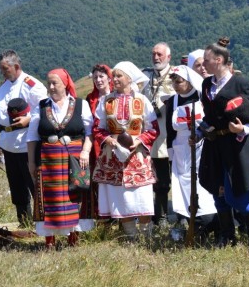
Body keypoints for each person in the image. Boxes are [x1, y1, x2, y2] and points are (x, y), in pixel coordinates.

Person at [198, 40, 249, 251]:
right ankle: (227, 236)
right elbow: (209, 116)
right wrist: (200, 132)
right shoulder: (207, 85)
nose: (203, 64)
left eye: (206, 60)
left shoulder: (240, 82)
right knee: (219, 189)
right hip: (215, 144)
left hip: (237, 145)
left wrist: (241, 130)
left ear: (218, 60)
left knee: (245, 190)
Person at [27, 68, 94, 248]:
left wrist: (85, 151)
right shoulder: (41, 106)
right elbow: (32, 137)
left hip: (75, 160)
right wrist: (31, 162)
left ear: (65, 84)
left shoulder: (80, 105)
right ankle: (50, 240)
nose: (50, 86)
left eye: (54, 83)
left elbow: (89, 133)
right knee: (49, 199)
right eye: (48, 83)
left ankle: (73, 239)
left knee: (74, 196)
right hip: (48, 161)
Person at [92, 61, 159, 239]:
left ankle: (147, 236)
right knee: (120, 197)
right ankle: (130, 236)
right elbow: (98, 127)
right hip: (113, 156)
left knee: (141, 196)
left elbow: (153, 129)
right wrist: (108, 140)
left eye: (119, 75)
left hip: (137, 156)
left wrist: (139, 141)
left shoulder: (142, 100)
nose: (115, 79)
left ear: (130, 79)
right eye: (114, 76)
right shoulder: (105, 101)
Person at [164, 65, 218, 242]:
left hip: (202, 147)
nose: (176, 85)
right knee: (184, 185)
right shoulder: (172, 102)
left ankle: (209, 220)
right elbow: (169, 131)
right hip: (180, 150)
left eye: (179, 81)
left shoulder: (202, 98)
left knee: (203, 183)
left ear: (189, 82)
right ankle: (190, 220)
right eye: (173, 82)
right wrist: (171, 153)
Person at [0, 49, 47, 227]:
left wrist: (29, 118)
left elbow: (45, 108)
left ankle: (42, 221)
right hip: (9, 144)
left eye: (5, 69)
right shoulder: (4, 87)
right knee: (16, 186)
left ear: (16, 66)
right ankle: (24, 221)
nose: (2, 72)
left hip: (27, 144)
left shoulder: (31, 85)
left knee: (34, 184)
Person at [142, 42, 176, 228]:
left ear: (168, 57)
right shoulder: (145, 77)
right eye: (153, 54)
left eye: (160, 54)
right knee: (158, 180)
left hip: (172, 134)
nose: (156, 57)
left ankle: (181, 214)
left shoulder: (176, 76)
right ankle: (160, 216)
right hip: (153, 136)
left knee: (177, 177)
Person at [85, 64, 114, 221]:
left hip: (115, 141)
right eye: (95, 77)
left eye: (101, 76)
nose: (98, 80)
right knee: (99, 179)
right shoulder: (91, 99)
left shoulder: (117, 95)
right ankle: (102, 212)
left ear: (109, 78)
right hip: (97, 143)